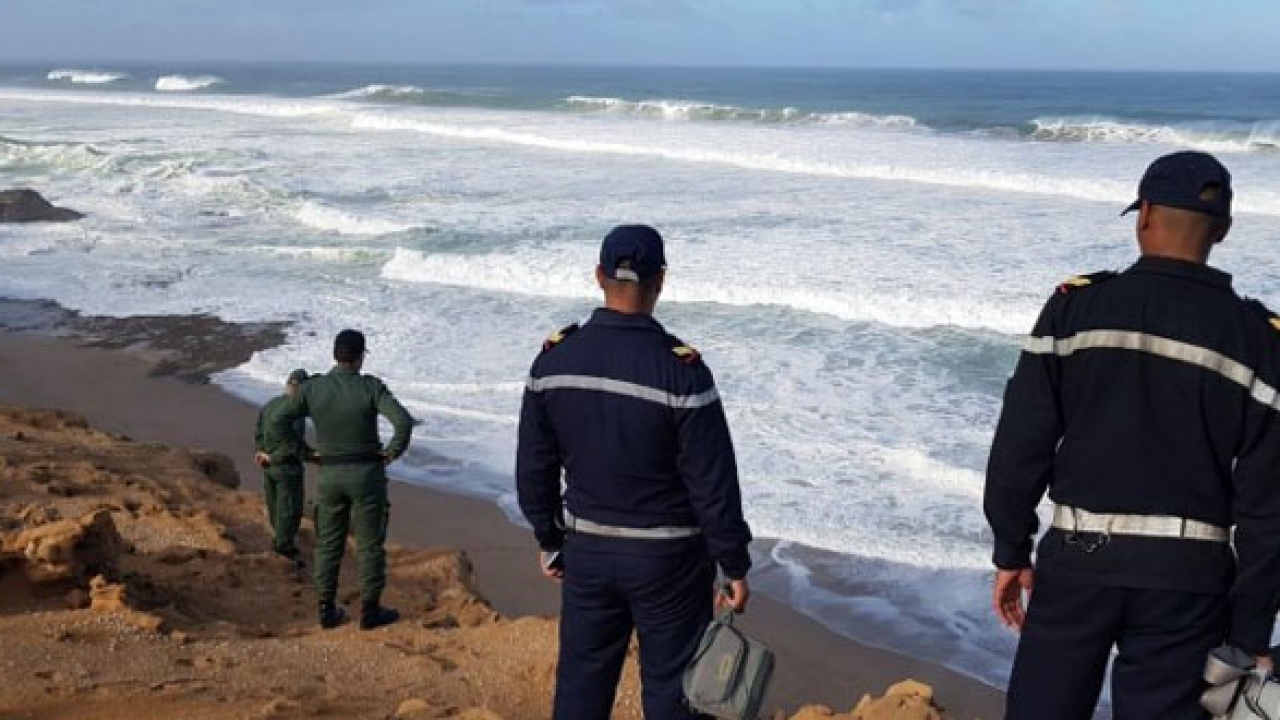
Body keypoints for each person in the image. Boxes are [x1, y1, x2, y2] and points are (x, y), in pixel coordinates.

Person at [984, 151, 1280, 720]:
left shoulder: (1077, 308)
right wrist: (1250, 628)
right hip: (1189, 583)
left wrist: (1011, 548)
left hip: (1078, 560)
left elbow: (1022, 443)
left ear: (1143, 214)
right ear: (1223, 230)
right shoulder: (1262, 343)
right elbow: (1268, 511)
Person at [516, 224, 753, 720]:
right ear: (661, 280)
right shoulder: (682, 371)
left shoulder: (554, 361)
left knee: (581, 687)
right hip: (669, 562)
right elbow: (713, 484)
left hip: (589, 553)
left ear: (599, 276)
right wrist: (733, 564)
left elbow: (534, 466)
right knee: (671, 694)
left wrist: (548, 537)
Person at [275, 329, 414, 630]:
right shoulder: (370, 388)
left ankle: (326, 609)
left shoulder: (314, 389)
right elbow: (402, 421)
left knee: (329, 543)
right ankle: (370, 610)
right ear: (361, 356)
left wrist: (304, 452)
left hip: (330, 474)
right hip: (366, 474)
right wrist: (391, 453)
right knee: (369, 544)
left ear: (335, 355)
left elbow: (279, 419)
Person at [254, 368, 313, 562]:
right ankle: (284, 550)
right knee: (289, 508)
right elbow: (292, 445)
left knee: (274, 504)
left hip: (268, 464)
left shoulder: (271, 404)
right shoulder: (294, 411)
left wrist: (261, 453)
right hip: (286, 468)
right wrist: (312, 455)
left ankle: (278, 538)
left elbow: (259, 431)